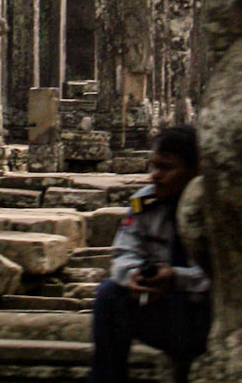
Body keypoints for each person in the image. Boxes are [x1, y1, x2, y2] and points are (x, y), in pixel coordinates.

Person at [90, 125, 211, 383]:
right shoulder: (144, 203)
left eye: (166, 168)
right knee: (109, 294)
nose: (155, 176)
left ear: (195, 172)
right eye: (153, 166)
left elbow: (229, 276)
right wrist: (133, 275)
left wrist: (177, 278)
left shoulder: (219, 208)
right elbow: (123, 251)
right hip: (163, 309)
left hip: (210, 314)